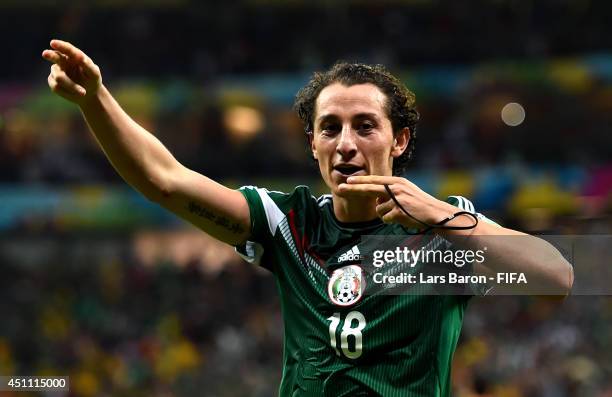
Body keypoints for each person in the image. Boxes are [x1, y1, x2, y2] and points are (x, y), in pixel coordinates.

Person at [42, 39, 573, 396]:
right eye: (330, 128)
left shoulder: (446, 236)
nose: (346, 144)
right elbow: (166, 179)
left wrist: (439, 215)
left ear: (400, 139)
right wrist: (97, 101)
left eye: (365, 126)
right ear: (312, 143)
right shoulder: (286, 222)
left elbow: (559, 277)